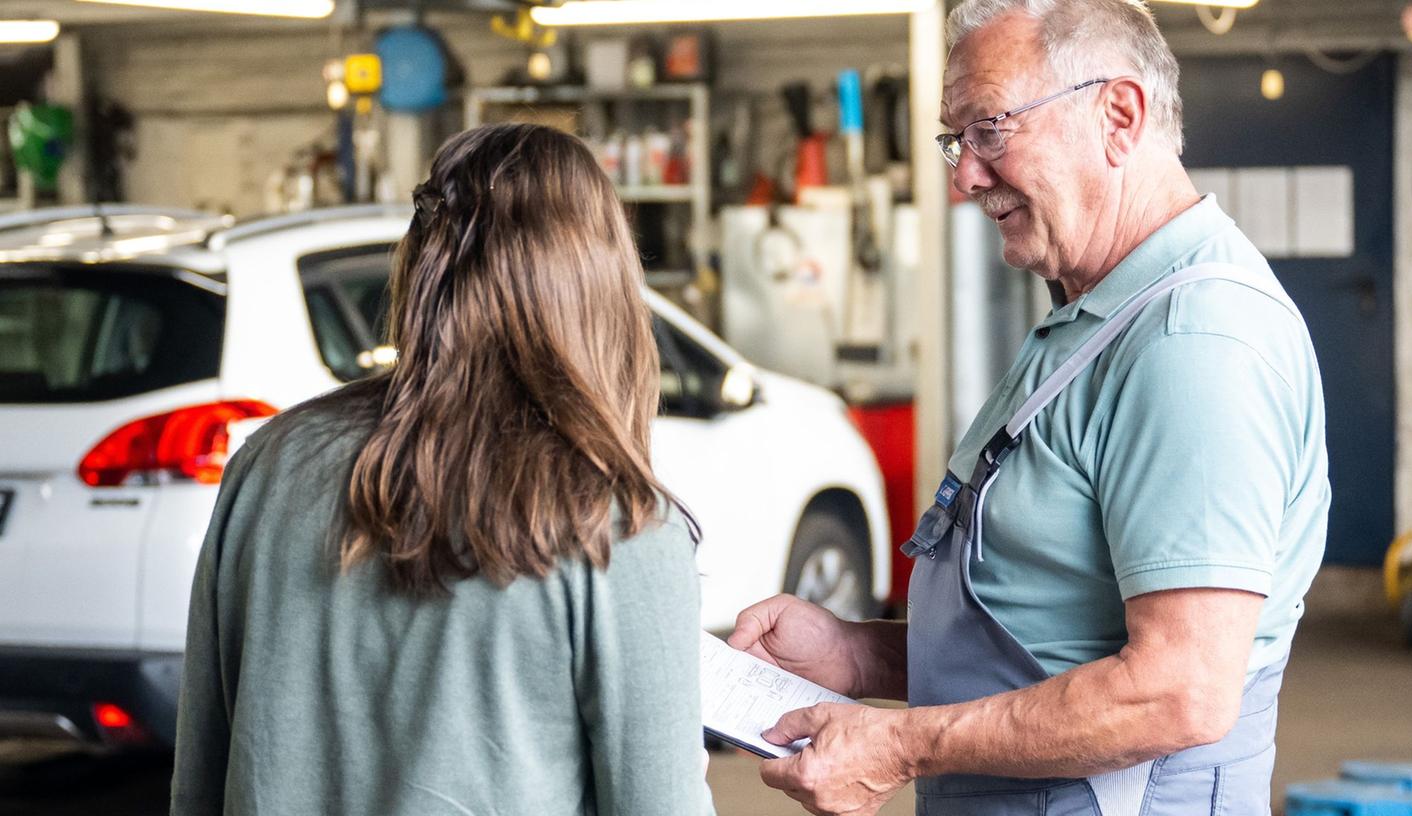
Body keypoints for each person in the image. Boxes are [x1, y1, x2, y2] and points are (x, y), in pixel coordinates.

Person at [728, 1, 1330, 815]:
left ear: (1118, 116)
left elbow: (1178, 691)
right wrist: (856, 655)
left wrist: (899, 743)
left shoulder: (1194, 343)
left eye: (989, 128)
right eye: (957, 139)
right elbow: (1052, 637)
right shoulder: (1097, 314)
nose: (963, 175)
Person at [171, 124, 715, 816]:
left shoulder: (268, 465)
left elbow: (198, 783)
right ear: (600, 282)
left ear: (421, 264)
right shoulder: (614, 524)